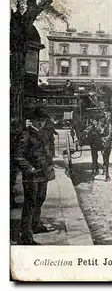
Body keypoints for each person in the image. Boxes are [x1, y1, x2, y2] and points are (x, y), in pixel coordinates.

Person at [14, 105, 56, 245]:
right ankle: (26, 235)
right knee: (30, 203)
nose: (42, 123)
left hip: (43, 174)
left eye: (43, 120)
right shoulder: (26, 134)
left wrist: (50, 164)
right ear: (33, 120)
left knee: (40, 199)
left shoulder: (43, 133)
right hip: (32, 176)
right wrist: (29, 168)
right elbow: (18, 156)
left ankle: (36, 225)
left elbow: (48, 151)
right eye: (39, 120)